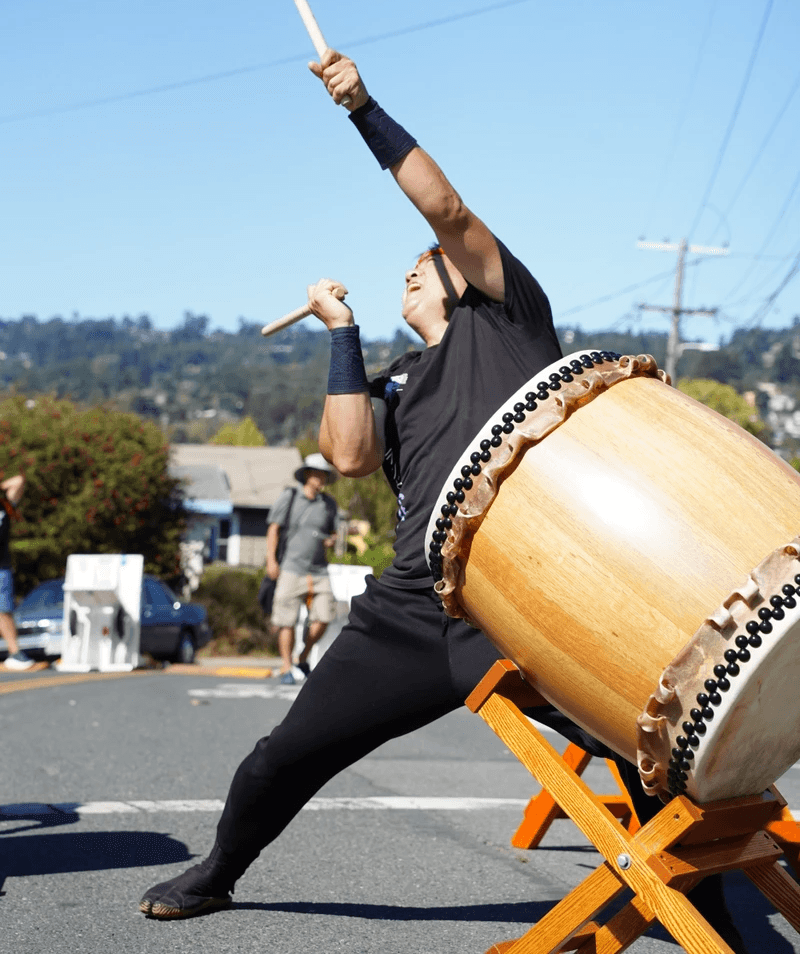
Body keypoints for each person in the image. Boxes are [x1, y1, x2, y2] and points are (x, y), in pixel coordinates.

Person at [139, 52, 748, 953]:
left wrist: (364, 110)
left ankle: (708, 897)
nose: (413, 271)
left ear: (466, 279)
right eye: (410, 269)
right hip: (416, 608)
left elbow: (447, 210)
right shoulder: (391, 379)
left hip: (530, 597)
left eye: (427, 266)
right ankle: (219, 870)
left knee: (656, 746)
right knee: (287, 754)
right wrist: (342, 339)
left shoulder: (512, 320)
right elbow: (347, 456)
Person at [266, 453, 338, 684]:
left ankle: (303, 656)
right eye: (317, 474)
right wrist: (271, 560)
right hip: (291, 567)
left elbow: (333, 532)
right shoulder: (289, 497)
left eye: (324, 475)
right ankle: (287, 667)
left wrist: (331, 540)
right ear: (307, 475)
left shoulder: (329, 505)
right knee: (286, 619)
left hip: (318, 570)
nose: (321, 479)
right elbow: (273, 529)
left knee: (325, 615)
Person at [0, 473, 34, 671]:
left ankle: (15, 654)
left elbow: (20, 480)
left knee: (3, 610)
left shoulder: (5, 504)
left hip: (1, 565)